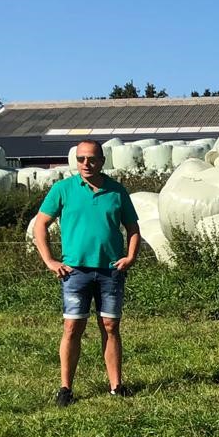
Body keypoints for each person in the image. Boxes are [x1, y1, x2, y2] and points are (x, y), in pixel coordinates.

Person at [30, 138, 139, 406]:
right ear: (75, 161)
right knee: (72, 327)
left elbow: (133, 229)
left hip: (110, 271)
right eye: (80, 159)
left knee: (111, 326)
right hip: (74, 272)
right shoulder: (63, 189)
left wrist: (130, 257)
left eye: (91, 159)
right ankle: (66, 388)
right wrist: (50, 261)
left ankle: (116, 386)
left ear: (102, 161)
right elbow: (40, 226)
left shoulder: (117, 191)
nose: (86, 164)